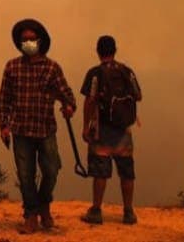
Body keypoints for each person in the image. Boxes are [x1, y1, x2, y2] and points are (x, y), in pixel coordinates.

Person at [0, 18, 76, 233]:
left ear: (40, 41)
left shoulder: (51, 68)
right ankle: (31, 214)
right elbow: (4, 99)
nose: (28, 43)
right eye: (24, 40)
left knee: (51, 170)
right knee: (25, 175)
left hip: (45, 129)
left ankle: (44, 204)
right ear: (19, 42)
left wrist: (68, 107)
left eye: (32, 39)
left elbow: (68, 96)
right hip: (20, 130)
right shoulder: (12, 67)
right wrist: (4, 126)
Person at [79, 35, 142, 226]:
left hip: (102, 129)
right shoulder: (126, 71)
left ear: (98, 51)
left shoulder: (95, 73)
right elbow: (138, 96)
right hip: (124, 130)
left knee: (100, 172)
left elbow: (89, 101)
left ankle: (96, 210)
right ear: (115, 50)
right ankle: (129, 212)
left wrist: (85, 126)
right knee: (127, 172)